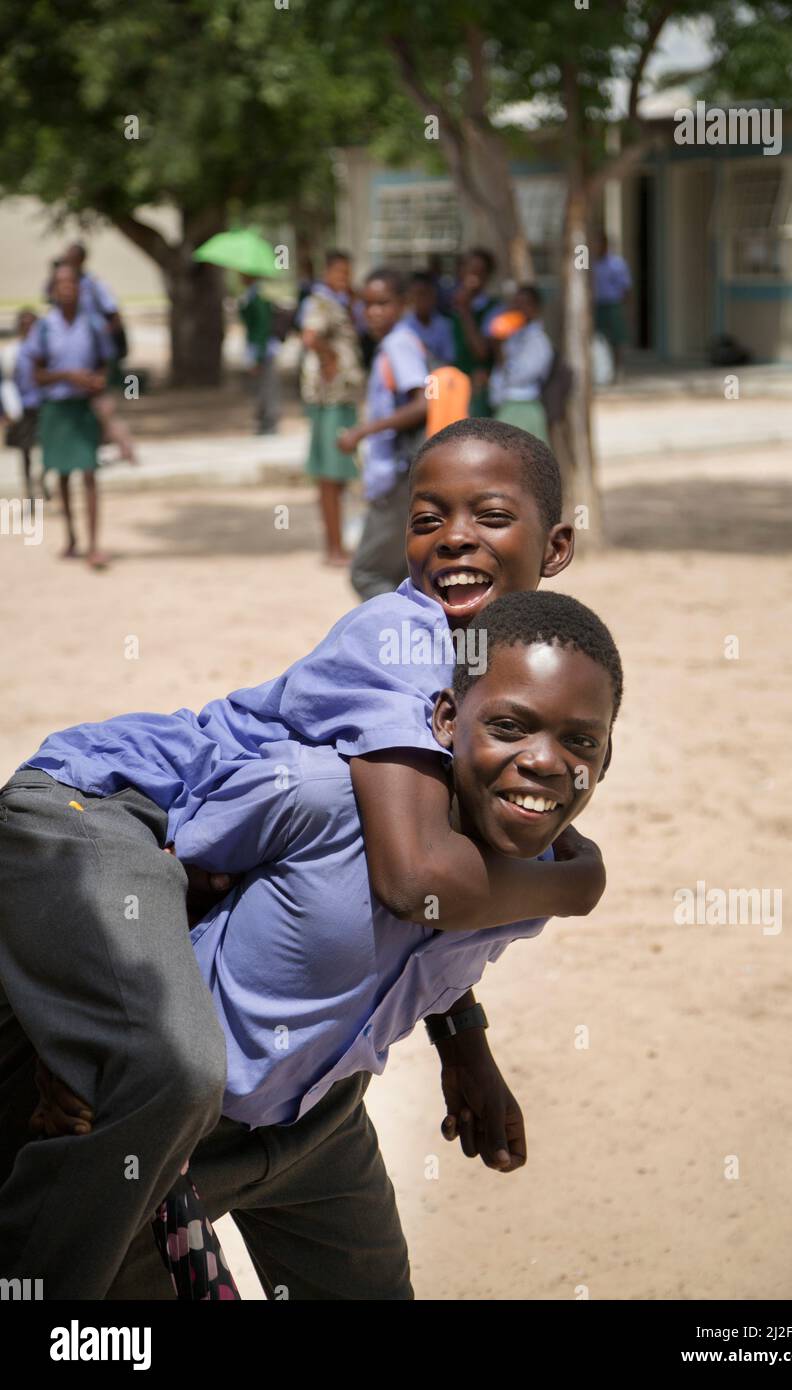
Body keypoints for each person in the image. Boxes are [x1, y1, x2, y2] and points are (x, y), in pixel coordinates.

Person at [0, 419, 593, 1298]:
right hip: (103, 801)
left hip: (281, 1045)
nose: (456, 536)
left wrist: (463, 1034)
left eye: (490, 515)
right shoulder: (402, 637)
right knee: (170, 1065)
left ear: (556, 547)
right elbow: (415, 880)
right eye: (427, 518)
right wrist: (580, 883)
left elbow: (410, 898)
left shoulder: (521, 682)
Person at [338, 268, 429, 601]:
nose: (373, 312)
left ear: (402, 304)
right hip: (392, 474)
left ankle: (401, 640)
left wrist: (362, 431)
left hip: (398, 476)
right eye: (367, 304)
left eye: (383, 303)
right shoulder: (394, 344)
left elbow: (422, 405)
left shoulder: (398, 345)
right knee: (402, 573)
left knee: (367, 572)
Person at [25, 263, 114, 569]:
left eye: (71, 282)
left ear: (79, 288)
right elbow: (36, 374)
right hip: (57, 409)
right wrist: (66, 376)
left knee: (89, 472)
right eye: (60, 283)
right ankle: (72, 536)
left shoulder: (92, 325)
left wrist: (97, 380)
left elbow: (107, 364)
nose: (66, 288)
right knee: (62, 474)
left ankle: (93, 545)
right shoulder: (44, 328)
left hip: (83, 409)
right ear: (53, 290)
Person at [299, 251, 365, 566]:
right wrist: (330, 360)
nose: (344, 278)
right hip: (331, 399)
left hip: (341, 398)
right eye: (339, 272)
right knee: (329, 474)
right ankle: (333, 549)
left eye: (347, 272)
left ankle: (337, 545)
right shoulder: (321, 302)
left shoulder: (338, 301)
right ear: (327, 272)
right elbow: (310, 336)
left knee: (337, 475)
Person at [60, 242, 137, 463]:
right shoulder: (64, 282)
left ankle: (124, 447)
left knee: (103, 402)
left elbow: (113, 313)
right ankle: (107, 445)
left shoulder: (93, 285)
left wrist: (101, 337)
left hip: (97, 355)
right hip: (80, 356)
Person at [489, 285, 554, 445]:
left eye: (524, 304)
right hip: (505, 404)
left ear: (535, 308)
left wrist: (499, 349)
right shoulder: (513, 335)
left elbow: (519, 377)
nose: (518, 309)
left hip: (522, 406)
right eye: (515, 304)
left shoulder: (539, 341)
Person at [1, 309, 49, 501]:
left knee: (50, 449)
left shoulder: (46, 351)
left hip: (45, 406)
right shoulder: (12, 352)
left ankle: (43, 479)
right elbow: (4, 381)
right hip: (22, 408)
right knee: (25, 452)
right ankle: (29, 493)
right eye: (25, 325)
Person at [449, 247, 501, 417]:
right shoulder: (446, 306)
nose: (473, 276)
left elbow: (481, 352)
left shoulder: (493, 309)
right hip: (451, 388)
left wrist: (465, 312)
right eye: (469, 269)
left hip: (479, 391)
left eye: (479, 271)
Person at [238, 274, 281, 435]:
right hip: (255, 347)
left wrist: (257, 356)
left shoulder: (259, 298)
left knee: (267, 387)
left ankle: (269, 422)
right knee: (259, 387)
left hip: (263, 350)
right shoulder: (249, 297)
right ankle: (263, 421)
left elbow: (262, 328)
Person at [592, 232, 632, 382]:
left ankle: (618, 371)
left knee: (617, 339)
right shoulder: (588, 261)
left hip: (613, 304)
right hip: (595, 305)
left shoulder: (616, 263)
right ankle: (598, 372)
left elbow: (626, 288)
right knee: (595, 339)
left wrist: (626, 309)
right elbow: (577, 269)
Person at [404, 270, 456, 364]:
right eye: (418, 294)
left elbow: (449, 360)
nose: (422, 299)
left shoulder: (444, 325)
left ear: (434, 295)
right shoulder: (402, 327)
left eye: (426, 294)